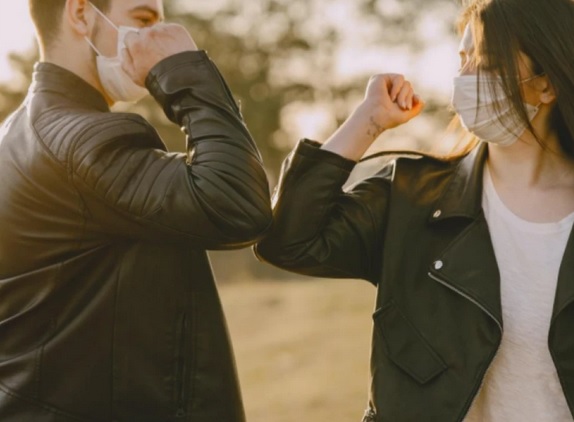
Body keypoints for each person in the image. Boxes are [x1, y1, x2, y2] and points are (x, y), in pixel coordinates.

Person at [256, 0, 574, 420]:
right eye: (463, 59)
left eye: (487, 62)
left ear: (547, 84)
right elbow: (287, 240)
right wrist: (367, 121)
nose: (465, 78)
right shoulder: (411, 198)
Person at [0, 0, 271, 420]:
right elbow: (236, 203)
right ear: (81, 13)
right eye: (144, 20)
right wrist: (183, 69)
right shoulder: (84, 140)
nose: (162, 36)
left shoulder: (16, 134)